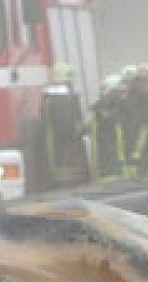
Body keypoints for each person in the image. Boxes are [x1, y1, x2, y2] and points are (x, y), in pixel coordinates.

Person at [34, 62, 89, 191]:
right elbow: (67, 129)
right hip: (64, 158)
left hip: (54, 157)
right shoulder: (62, 100)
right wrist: (84, 129)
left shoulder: (49, 99)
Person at [87, 74, 128, 183]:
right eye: (118, 93)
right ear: (108, 93)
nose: (122, 96)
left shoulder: (124, 114)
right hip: (104, 172)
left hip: (119, 172)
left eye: (122, 93)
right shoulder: (99, 116)